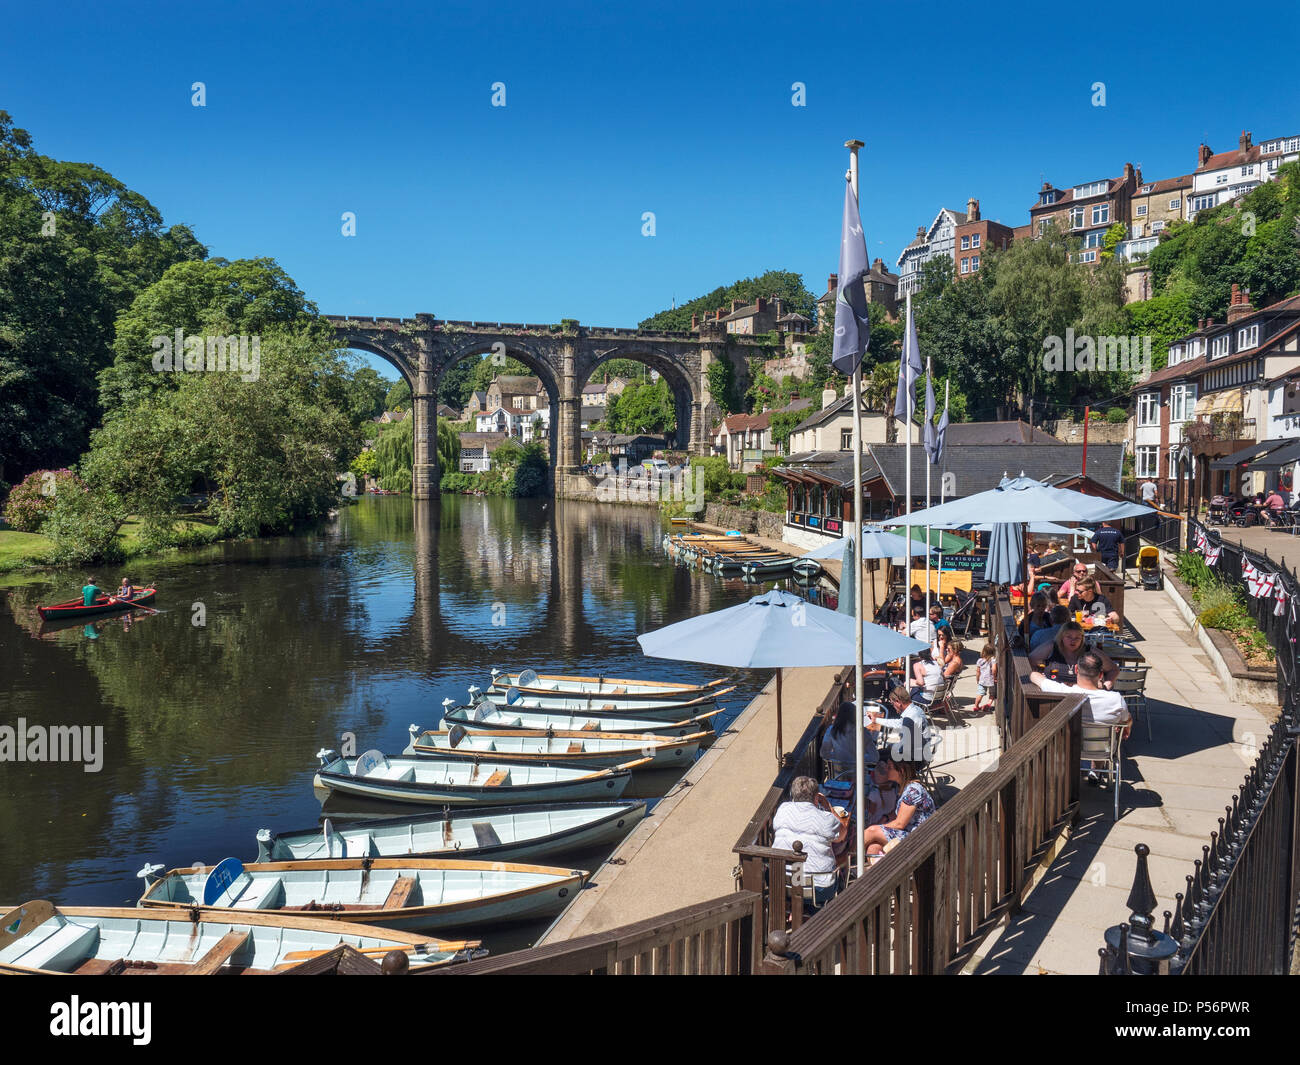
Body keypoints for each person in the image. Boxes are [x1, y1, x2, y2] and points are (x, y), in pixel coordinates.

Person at [1031, 651, 1131, 785]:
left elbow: (1033, 676)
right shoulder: (1116, 699)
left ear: (1077, 669)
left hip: (1068, 748)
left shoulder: (1063, 692)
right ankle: (1096, 771)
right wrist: (1126, 727)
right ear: (1101, 675)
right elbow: (1127, 719)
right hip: (1103, 751)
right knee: (1101, 735)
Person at [771, 776, 848, 906]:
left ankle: (796, 911)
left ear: (792, 794)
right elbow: (842, 835)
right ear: (816, 797)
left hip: (782, 881)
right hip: (818, 887)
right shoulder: (827, 818)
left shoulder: (783, 809)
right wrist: (828, 807)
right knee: (842, 859)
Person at [862, 749, 936, 855]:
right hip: (913, 834)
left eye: (890, 767)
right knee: (873, 847)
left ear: (901, 770)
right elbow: (898, 814)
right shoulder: (904, 787)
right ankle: (879, 871)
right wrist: (885, 819)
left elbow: (900, 824)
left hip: (919, 838)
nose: (886, 769)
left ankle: (846, 859)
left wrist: (879, 827)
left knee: (871, 831)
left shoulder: (913, 791)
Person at [1029, 621, 1119, 686]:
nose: (1073, 641)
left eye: (1077, 638)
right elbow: (1030, 660)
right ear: (1061, 637)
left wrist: (1106, 685)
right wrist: (1039, 673)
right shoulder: (1052, 646)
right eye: (1069, 637)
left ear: (1082, 639)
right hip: (1053, 695)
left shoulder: (1090, 651)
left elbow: (1113, 669)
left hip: (1082, 698)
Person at [820, 701, 879, 773]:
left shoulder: (831, 730)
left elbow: (824, 753)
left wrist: (839, 757)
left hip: (838, 776)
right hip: (860, 776)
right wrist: (856, 759)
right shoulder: (863, 732)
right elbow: (875, 757)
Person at [972, 642, 997, 713]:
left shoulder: (980, 661)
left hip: (982, 680)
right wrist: (995, 677)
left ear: (983, 651)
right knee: (992, 694)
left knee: (980, 693)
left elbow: (978, 672)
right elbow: (994, 669)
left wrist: (977, 679)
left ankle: (976, 706)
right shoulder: (993, 659)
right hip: (991, 680)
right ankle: (988, 704)